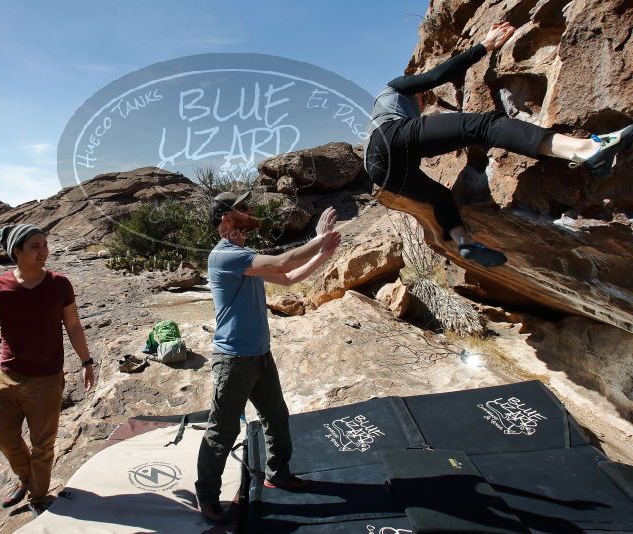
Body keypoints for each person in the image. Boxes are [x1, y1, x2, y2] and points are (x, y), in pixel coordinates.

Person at [365, 21, 633, 267]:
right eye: (422, 97)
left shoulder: (381, 114)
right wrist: (485, 45)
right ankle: (586, 150)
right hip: (391, 137)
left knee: (441, 197)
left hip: (380, 170)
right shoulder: (395, 88)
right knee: (483, 126)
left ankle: (464, 242)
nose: (422, 101)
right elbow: (436, 76)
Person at [195, 192, 341, 525]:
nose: (249, 214)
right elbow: (282, 262)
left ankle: (277, 472)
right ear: (225, 220)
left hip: (259, 355)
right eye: (242, 210)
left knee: (276, 415)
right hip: (233, 360)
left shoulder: (243, 257)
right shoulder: (225, 257)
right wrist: (318, 240)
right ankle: (206, 495)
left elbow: (289, 277)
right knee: (222, 431)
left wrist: (323, 253)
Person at [0, 224, 96, 516]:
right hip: (7, 376)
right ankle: (26, 479)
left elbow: (74, 325)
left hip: (47, 379)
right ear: (17, 252)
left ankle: (38, 496)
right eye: (35, 246)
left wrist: (87, 362)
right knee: (6, 438)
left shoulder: (59, 284)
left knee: (43, 444)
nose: (43, 252)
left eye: (45, 245)